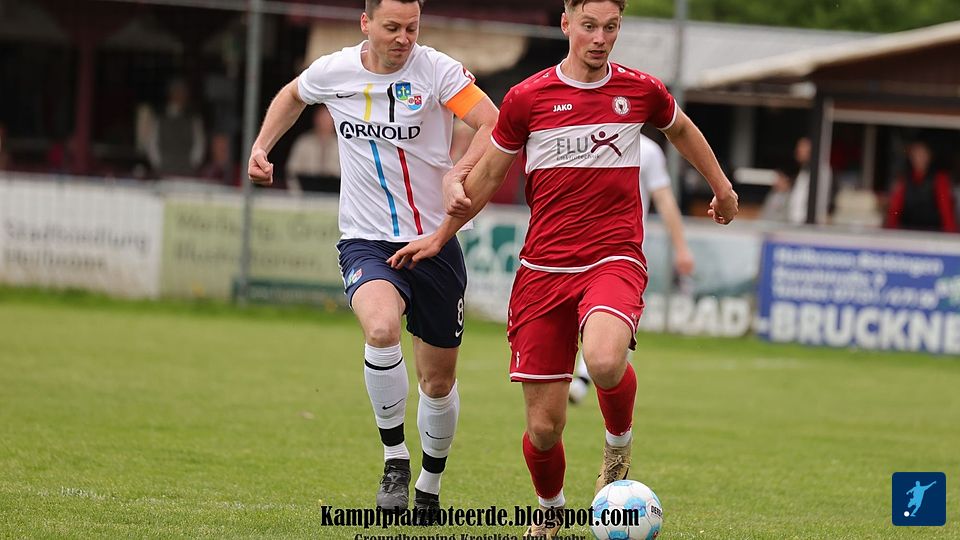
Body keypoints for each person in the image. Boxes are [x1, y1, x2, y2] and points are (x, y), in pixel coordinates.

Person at [388, 1, 738, 537]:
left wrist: (722, 188)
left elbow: (682, 129)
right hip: (542, 271)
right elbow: (488, 176)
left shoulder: (640, 89)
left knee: (604, 358)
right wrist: (440, 235)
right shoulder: (527, 98)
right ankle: (550, 511)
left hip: (613, 257)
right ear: (566, 23)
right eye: (589, 26)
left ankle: (618, 447)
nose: (600, 38)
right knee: (543, 428)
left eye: (611, 27)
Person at [246, 0, 498, 519]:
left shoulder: (438, 71)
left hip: (434, 243)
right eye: (392, 27)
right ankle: (395, 459)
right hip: (366, 239)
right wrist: (262, 146)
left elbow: (492, 121)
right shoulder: (335, 70)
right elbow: (292, 95)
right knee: (381, 329)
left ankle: (429, 484)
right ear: (366, 23)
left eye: (412, 27)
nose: (403, 37)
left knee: (437, 383)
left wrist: (458, 172)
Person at [568, 134, 694, 404]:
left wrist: (681, 247)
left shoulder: (648, 151)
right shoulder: (580, 137)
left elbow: (664, 200)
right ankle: (582, 377)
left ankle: (585, 378)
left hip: (624, 254)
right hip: (578, 248)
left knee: (609, 319)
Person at [884, 138, 957, 233]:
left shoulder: (940, 179)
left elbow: (947, 211)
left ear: (930, 156)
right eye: (916, 154)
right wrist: (889, 233)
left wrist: (951, 235)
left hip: (933, 234)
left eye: (923, 154)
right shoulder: (903, 180)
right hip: (906, 233)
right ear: (910, 156)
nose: (919, 158)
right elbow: (894, 210)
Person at [147, 78, 206, 177]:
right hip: (164, 170)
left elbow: (199, 143)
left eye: (182, 92)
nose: (179, 95)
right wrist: (158, 164)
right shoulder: (159, 118)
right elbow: (152, 143)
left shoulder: (193, 119)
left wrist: (193, 163)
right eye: (176, 92)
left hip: (187, 171)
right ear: (171, 94)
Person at [286, 105, 341, 194]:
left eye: (328, 119)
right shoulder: (303, 143)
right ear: (315, 119)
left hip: (334, 197)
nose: (324, 122)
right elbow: (291, 172)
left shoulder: (341, 145)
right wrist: (297, 195)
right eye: (322, 118)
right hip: (305, 196)